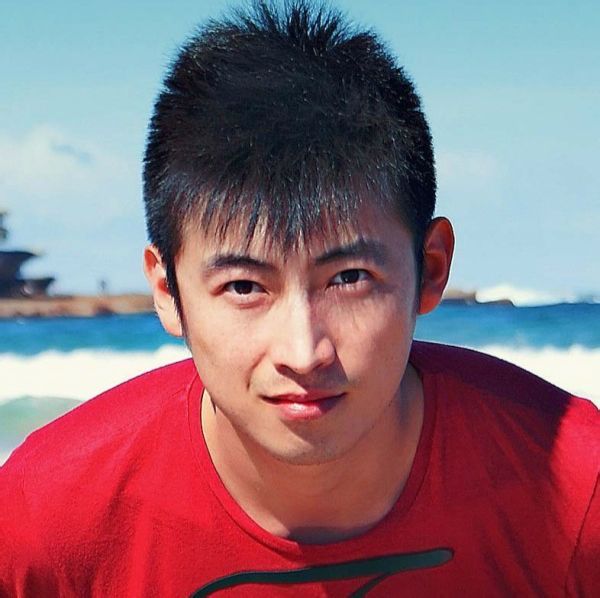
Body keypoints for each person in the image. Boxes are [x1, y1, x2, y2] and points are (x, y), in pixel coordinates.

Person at [1, 1, 598, 595]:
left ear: (431, 268)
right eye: (244, 287)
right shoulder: (44, 524)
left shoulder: (573, 494)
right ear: (167, 290)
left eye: (349, 278)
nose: (303, 351)